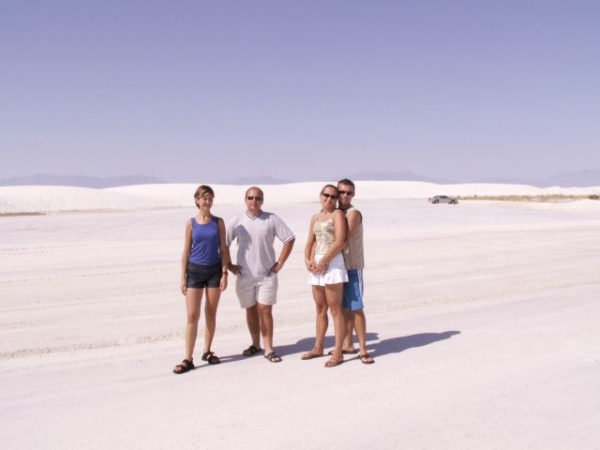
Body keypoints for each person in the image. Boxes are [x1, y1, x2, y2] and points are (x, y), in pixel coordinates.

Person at [227, 186, 295, 363]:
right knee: (250, 310)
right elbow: (223, 243)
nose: (254, 201)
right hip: (244, 276)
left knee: (265, 311)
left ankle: (269, 348)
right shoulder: (237, 221)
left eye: (257, 198)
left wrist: (279, 263)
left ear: (262, 201)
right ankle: (255, 344)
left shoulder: (271, 219)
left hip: (266, 276)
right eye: (250, 198)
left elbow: (289, 239)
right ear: (245, 199)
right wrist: (228, 265)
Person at [173, 185, 230, 374]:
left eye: (210, 198)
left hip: (214, 271)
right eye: (204, 198)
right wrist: (183, 277)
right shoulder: (191, 223)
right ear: (197, 200)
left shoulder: (218, 222)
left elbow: (223, 248)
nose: (207, 201)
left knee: (211, 313)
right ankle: (187, 358)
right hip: (195, 271)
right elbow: (186, 251)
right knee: (192, 316)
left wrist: (224, 273)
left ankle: (207, 350)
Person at [302, 184, 348, 368]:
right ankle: (318, 347)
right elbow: (309, 242)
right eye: (326, 195)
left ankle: (338, 352)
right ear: (321, 196)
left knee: (335, 309)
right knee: (320, 308)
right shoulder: (315, 217)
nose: (329, 199)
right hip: (317, 265)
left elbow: (341, 241)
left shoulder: (337, 215)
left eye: (333, 196)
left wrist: (325, 260)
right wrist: (308, 259)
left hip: (333, 263)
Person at [338, 179, 374, 364]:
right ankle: (347, 344)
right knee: (344, 308)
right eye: (342, 192)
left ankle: (363, 349)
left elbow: (343, 239)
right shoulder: (338, 212)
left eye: (348, 192)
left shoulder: (353, 214)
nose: (345, 195)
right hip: (338, 268)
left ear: (353, 195)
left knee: (356, 308)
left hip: (352, 266)